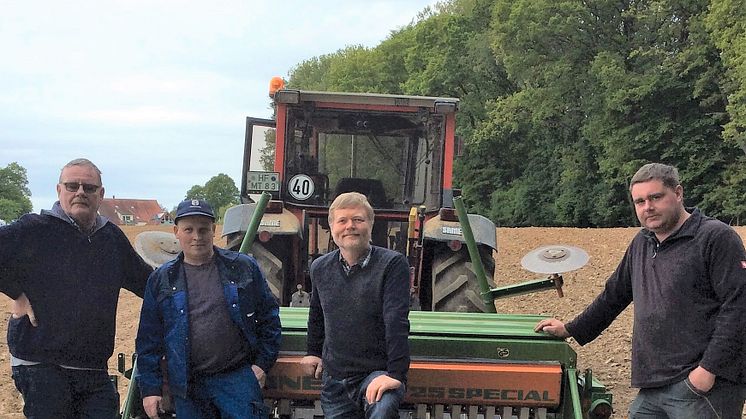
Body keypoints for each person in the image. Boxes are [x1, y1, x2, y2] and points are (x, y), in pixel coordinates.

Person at [535, 163, 746, 418]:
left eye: (656, 197)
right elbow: (614, 296)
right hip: (653, 384)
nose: (648, 207)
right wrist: (571, 328)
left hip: (701, 387)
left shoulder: (714, 238)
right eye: (640, 201)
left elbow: (739, 307)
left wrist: (707, 371)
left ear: (678, 193)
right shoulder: (642, 243)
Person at [0, 158, 153, 419]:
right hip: (41, 363)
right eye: (72, 186)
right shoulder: (35, 229)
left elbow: (147, 282)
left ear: (100, 194)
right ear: (59, 191)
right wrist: (16, 292)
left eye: (89, 187)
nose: (80, 192)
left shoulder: (111, 239)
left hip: (92, 367)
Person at [136, 198, 281, 419]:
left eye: (203, 229)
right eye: (189, 229)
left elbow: (269, 318)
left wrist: (262, 365)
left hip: (236, 379)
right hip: (188, 384)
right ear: (176, 231)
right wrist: (150, 389)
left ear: (213, 230)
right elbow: (149, 339)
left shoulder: (242, 267)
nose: (197, 236)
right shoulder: (162, 279)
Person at [300, 192, 410, 418]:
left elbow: (396, 322)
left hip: (375, 374)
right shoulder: (320, 267)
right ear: (332, 227)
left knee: (383, 409)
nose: (350, 226)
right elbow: (317, 314)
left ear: (370, 224)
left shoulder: (392, 264)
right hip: (335, 381)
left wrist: (395, 375)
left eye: (358, 220)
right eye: (342, 221)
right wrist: (312, 351)